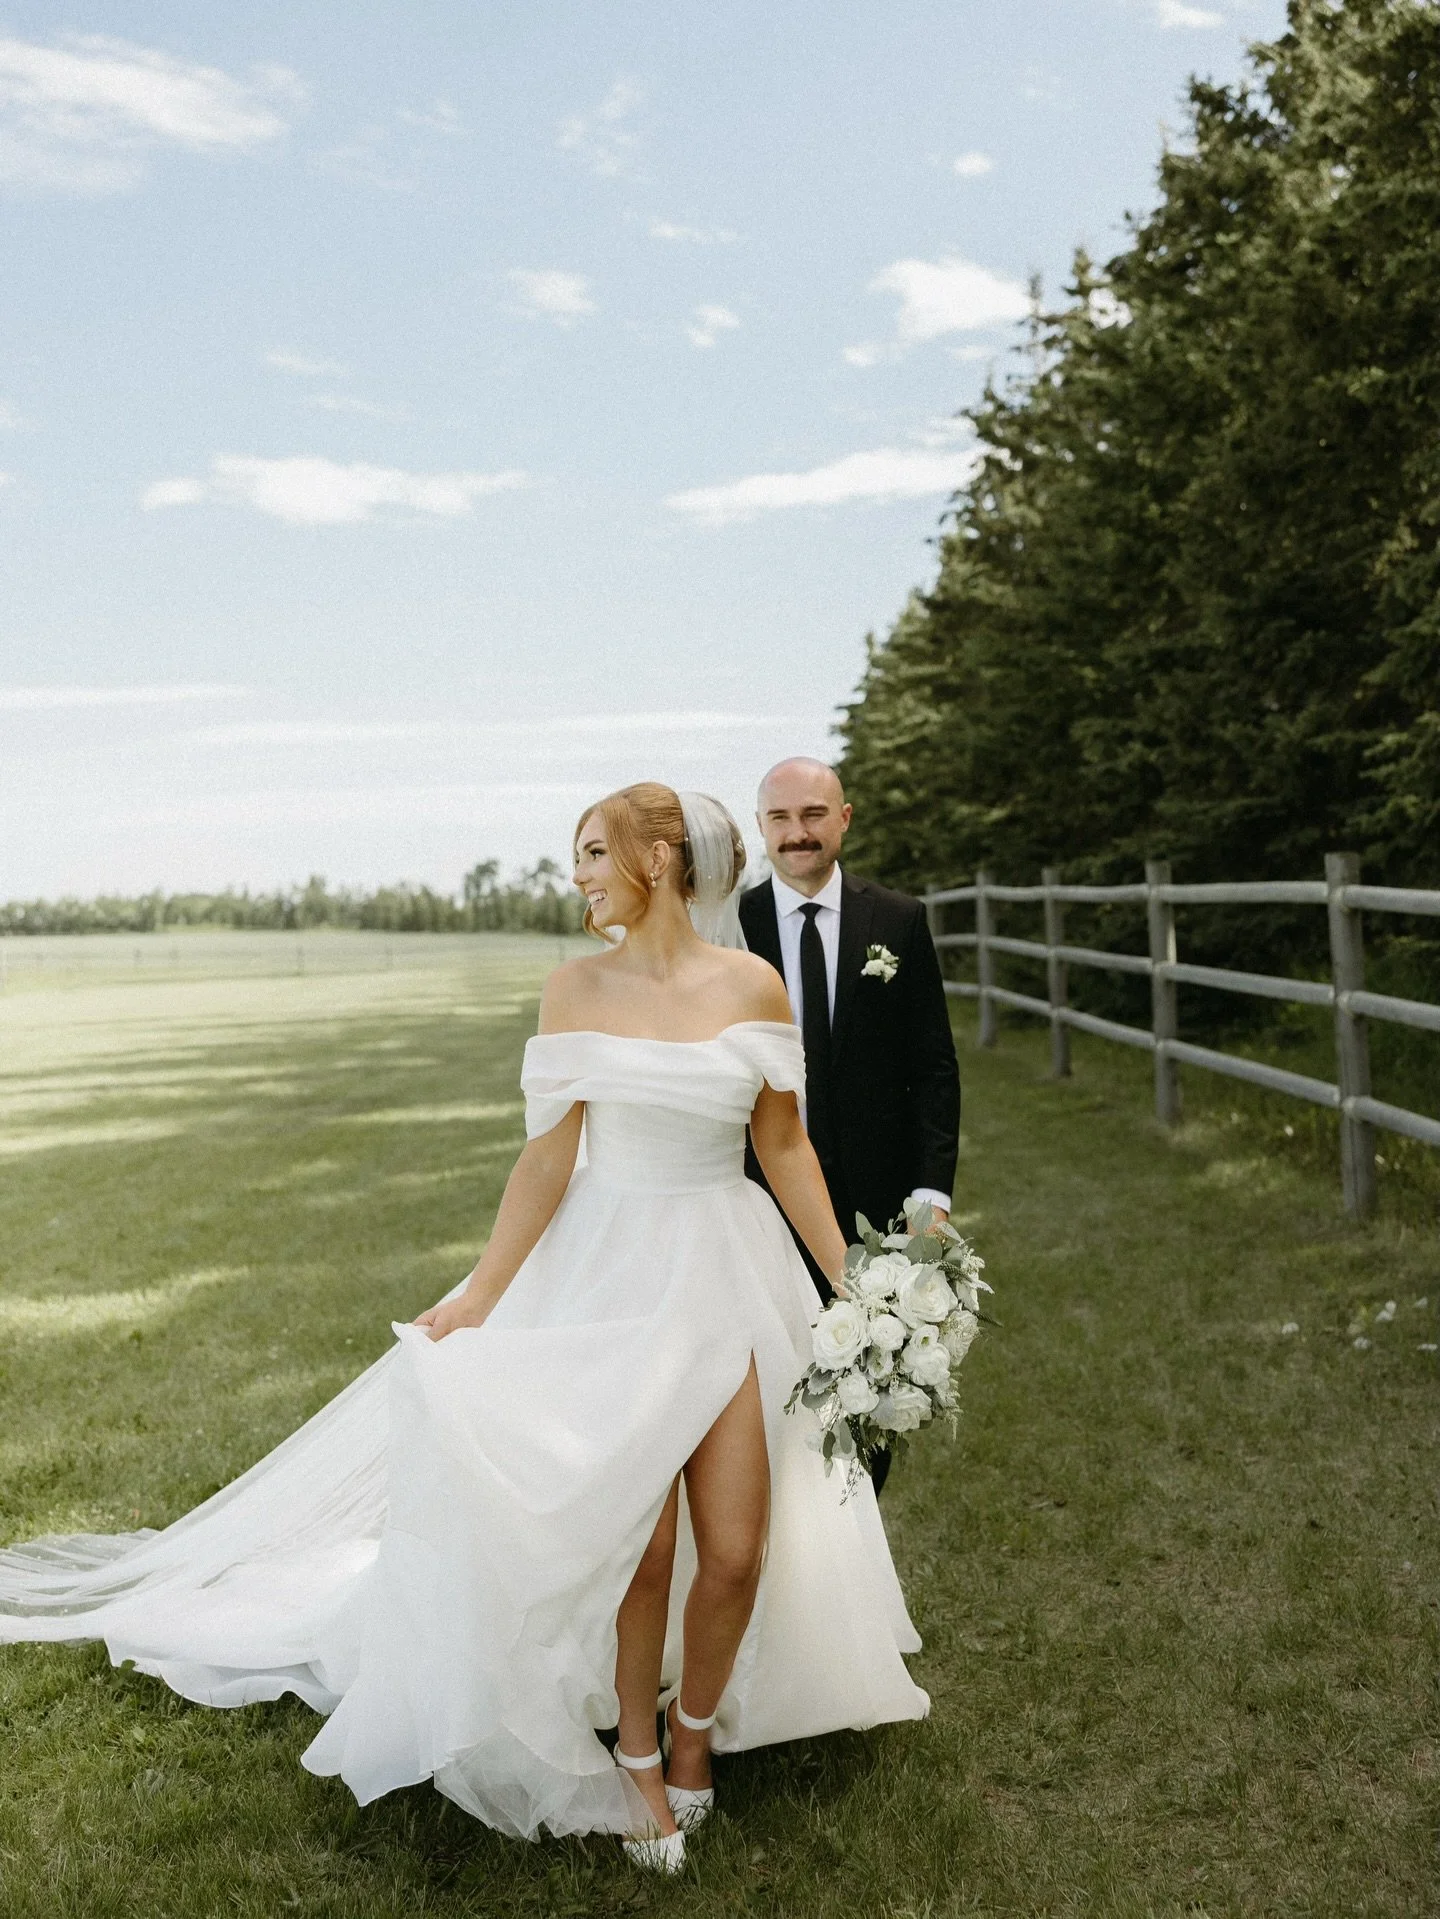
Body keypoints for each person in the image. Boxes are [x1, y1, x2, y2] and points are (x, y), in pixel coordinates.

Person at [0, 783, 927, 1876]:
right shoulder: (573, 988)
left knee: (734, 1545)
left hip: (727, 1268)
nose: (578, 875)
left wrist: (853, 1283)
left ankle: (696, 1730)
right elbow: (548, 1155)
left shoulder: (751, 983)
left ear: (659, 856)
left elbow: (783, 1144)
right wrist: (482, 1292)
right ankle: (641, 1756)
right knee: (642, 1545)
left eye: (594, 852)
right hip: (611, 1270)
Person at [740, 758, 961, 1494]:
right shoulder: (731, 925)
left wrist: (930, 1196)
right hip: (758, 1195)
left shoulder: (898, 919)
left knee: (870, 1378)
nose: (797, 833)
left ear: (844, 817)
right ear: (760, 826)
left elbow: (934, 1068)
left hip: (878, 1198)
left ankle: (857, 1529)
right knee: (765, 1378)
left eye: (812, 814)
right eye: (780, 818)